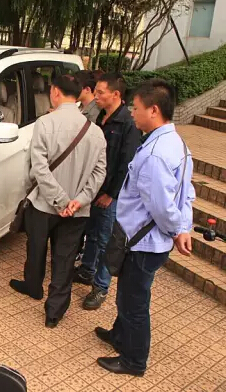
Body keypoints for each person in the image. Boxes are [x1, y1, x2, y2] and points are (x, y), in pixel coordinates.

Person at [96, 80, 194, 376]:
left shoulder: (155, 154)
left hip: (143, 242)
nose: (132, 113)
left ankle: (133, 361)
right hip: (146, 240)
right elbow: (186, 193)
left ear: (153, 110)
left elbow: (162, 206)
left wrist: (177, 230)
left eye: (136, 108)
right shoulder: (176, 143)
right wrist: (183, 227)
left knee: (133, 302)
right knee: (129, 294)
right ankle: (119, 335)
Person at [9, 76, 106, 328]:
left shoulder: (45, 123)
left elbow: (38, 167)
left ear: (55, 92)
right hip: (77, 211)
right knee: (65, 258)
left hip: (44, 204)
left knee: (36, 247)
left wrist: (59, 200)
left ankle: (33, 286)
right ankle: (54, 312)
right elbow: (99, 173)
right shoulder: (95, 131)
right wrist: (77, 201)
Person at [74, 73, 141, 310]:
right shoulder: (100, 117)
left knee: (105, 240)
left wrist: (111, 194)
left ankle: (101, 287)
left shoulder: (128, 124)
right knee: (91, 233)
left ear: (116, 94)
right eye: (96, 92)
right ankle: (86, 270)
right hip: (93, 188)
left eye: (101, 92)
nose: (96, 96)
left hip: (109, 195)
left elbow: (126, 164)